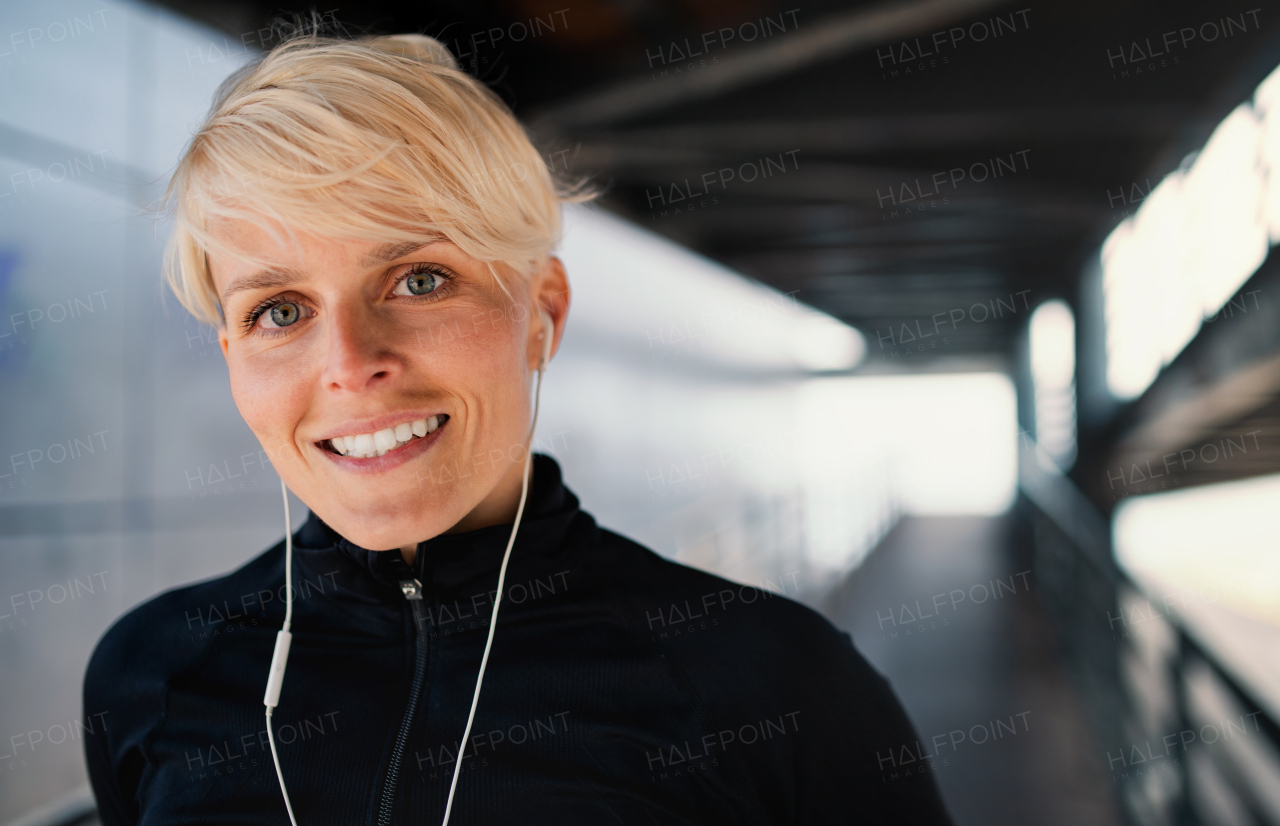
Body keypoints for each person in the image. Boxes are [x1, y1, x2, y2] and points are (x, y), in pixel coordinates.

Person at [82, 30, 953, 826]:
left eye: (419, 280)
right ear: (231, 350)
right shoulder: (154, 676)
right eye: (280, 309)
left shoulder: (769, 681)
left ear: (541, 312)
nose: (350, 364)